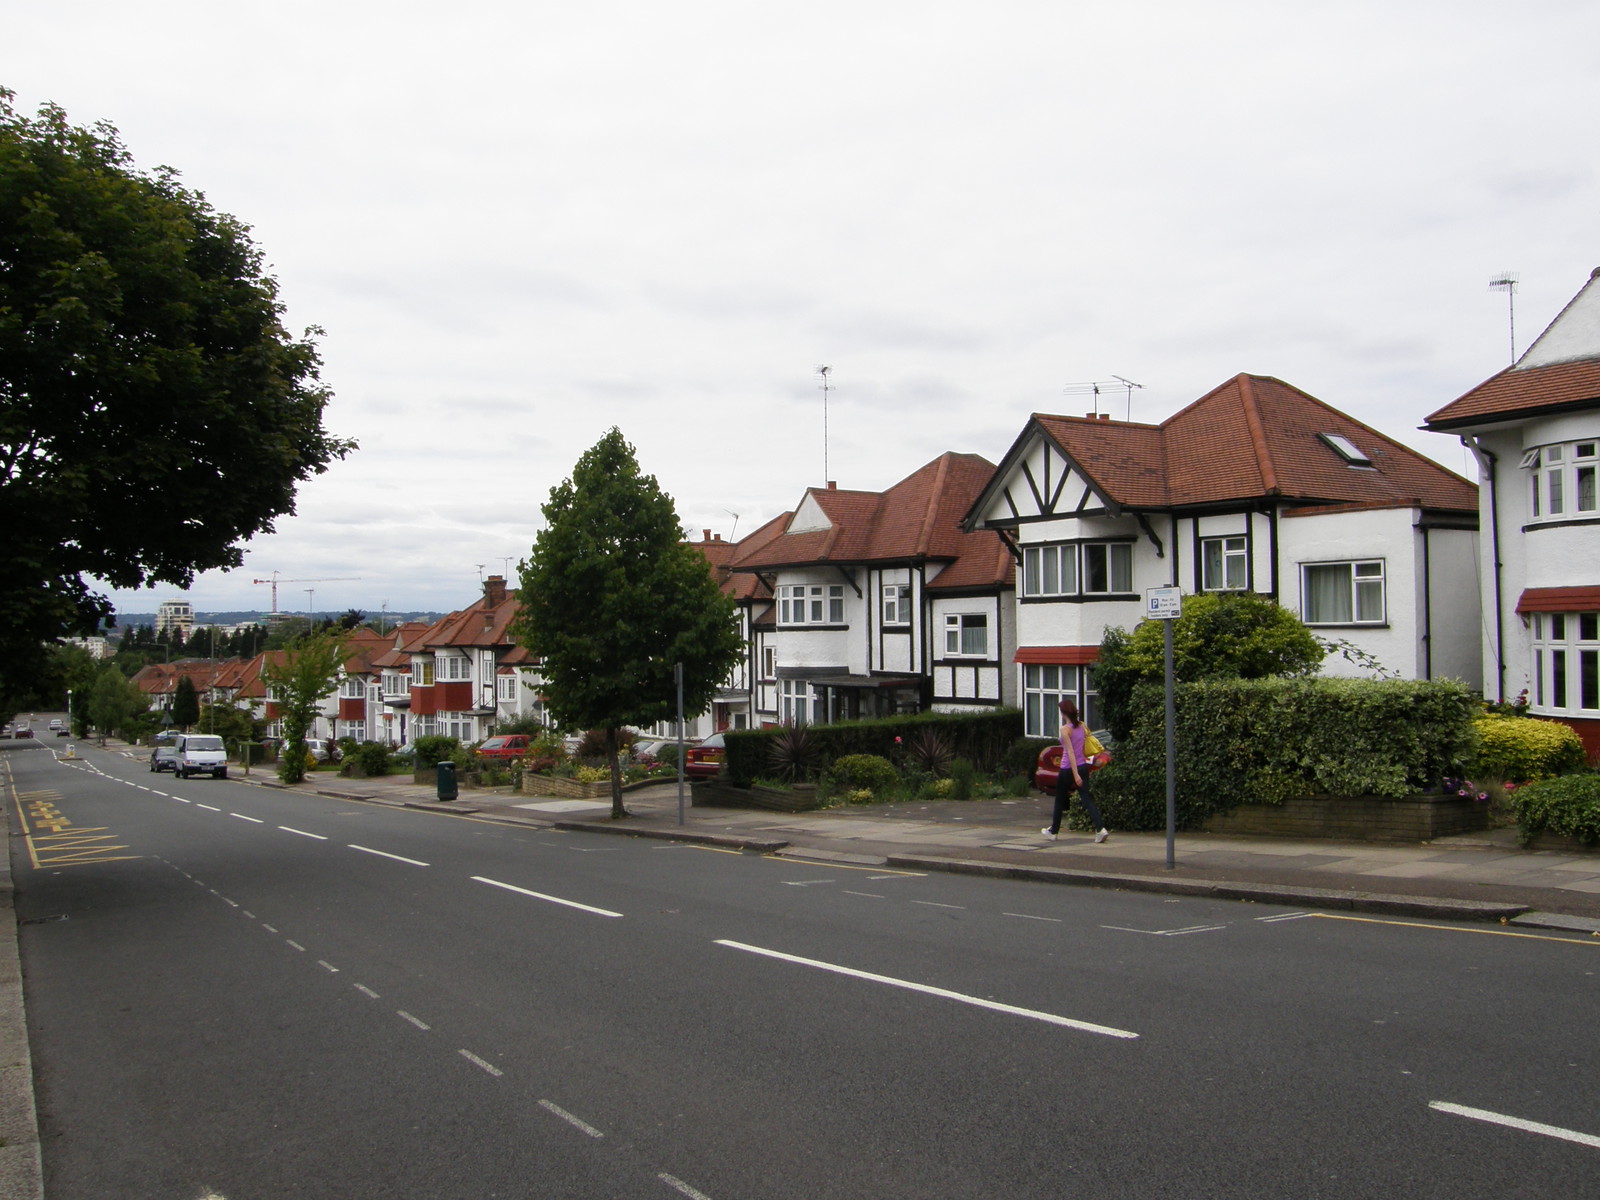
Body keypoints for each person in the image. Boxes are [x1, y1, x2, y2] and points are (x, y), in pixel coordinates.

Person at [1042, 698, 1109, 843]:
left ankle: (1053, 831)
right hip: (1082, 766)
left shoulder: (1065, 730)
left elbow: (1070, 752)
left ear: (1062, 712)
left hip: (1067, 768)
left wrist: (1075, 774)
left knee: (1059, 800)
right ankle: (1100, 829)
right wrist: (1079, 772)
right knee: (1087, 798)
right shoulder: (1082, 726)